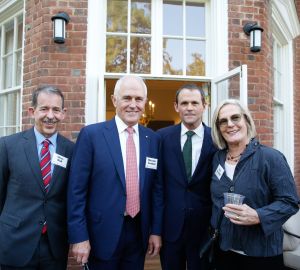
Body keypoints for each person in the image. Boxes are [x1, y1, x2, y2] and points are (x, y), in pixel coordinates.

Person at [67, 75, 163, 270]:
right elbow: (76, 190)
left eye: (138, 99)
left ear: (145, 102)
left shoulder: (152, 139)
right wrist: (79, 236)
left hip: (138, 232)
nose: (133, 105)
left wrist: (156, 231)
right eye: (127, 98)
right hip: (101, 233)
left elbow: (157, 189)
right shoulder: (92, 135)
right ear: (114, 100)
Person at [210, 98, 299, 270]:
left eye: (235, 118)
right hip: (224, 251)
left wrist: (259, 216)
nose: (230, 124)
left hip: (261, 254)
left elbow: (289, 202)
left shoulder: (271, 158)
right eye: (223, 121)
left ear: (246, 120)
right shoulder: (217, 159)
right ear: (219, 128)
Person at [0, 86, 74, 270]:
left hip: (54, 246)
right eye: (44, 109)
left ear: (63, 113)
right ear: (32, 111)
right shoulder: (8, 146)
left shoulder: (72, 151)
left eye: (56, 110)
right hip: (15, 242)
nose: (50, 115)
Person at [157, 84, 217, 270]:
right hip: (170, 228)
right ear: (176, 107)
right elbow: (157, 186)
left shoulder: (216, 139)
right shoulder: (162, 137)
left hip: (204, 229)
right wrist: (155, 230)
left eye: (194, 103)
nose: (189, 107)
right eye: (184, 103)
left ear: (204, 105)